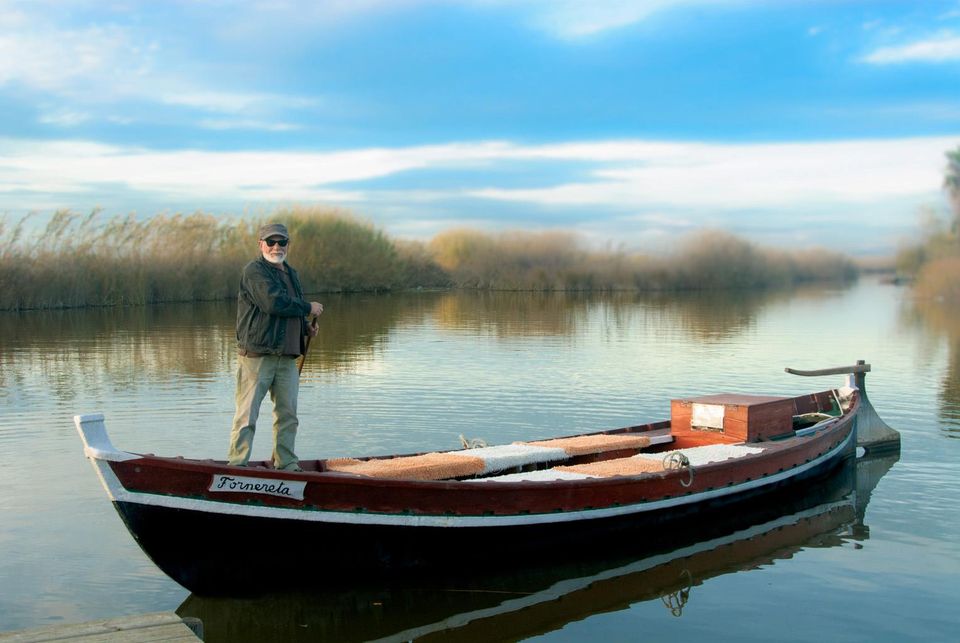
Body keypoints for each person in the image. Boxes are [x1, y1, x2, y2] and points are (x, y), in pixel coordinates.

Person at [227, 223, 323, 471]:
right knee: (247, 415)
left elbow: (289, 311)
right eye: (271, 242)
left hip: (287, 357)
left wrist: (305, 328)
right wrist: (307, 307)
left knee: (288, 415)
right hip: (257, 356)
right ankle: (237, 466)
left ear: (288, 245)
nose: (276, 247)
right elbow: (273, 303)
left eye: (281, 242)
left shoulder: (292, 274)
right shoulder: (254, 271)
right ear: (261, 245)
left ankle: (287, 464)